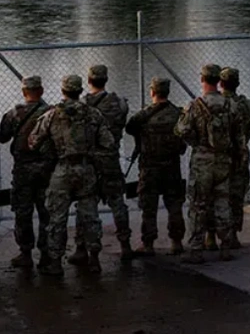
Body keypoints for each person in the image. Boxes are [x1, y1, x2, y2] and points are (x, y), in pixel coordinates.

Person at [29, 74, 113, 275]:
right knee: (90, 216)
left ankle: (56, 262)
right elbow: (108, 142)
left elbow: (33, 142)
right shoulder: (93, 114)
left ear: (63, 91)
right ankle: (93, 259)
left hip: (63, 169)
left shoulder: (51, 115)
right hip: (86, 169)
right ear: (80, 91)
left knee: (57, 218)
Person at [175, 64, 238, 264]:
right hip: (224, 160)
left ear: (202, 79)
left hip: (202, 160)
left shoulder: (195, 105)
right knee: (222, 202)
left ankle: (196, 250)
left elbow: (181, 130)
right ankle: (226, 246)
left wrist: (196, 141)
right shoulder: (231, 105)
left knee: (198, 205)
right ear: (219, 81)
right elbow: (238, 134)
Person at [125, 77, 187, 256]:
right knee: (174, 204)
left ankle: (149, 244)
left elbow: (129, 128)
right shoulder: (178, 114)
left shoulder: (143, 116)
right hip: (172, 167)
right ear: (167, 92)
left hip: (149, 168)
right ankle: (176, 242)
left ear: (152, 92)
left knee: (148, 207)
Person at [0, 75, 53, 269]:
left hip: (22, 170)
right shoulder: (52, 113)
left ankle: (26, 253)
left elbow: (2, 137)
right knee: (47, 212)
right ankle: (47, 253)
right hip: (47, 170)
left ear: (23, 92)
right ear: (42, 91)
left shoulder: (15, 113)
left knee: (23, 212)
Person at [80, 64, 134, 261]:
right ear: (106, 79)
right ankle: (125, 244)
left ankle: (83, 248)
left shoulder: (83, 105)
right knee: (118, 203)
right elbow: (122, 122)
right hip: (111, 159)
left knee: (87, 205)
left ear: (89, 80)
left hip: (90, 162)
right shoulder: (119, 103)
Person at [219, 66, 250, 248]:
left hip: (219, 156)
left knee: (215, 195)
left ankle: (211, 236)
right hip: (239, 155)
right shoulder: (245, 105)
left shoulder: (217, 104)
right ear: (238, 83)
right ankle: (232, 235)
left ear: (220, 83)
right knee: (236, 196)